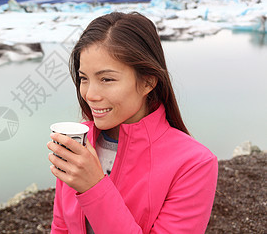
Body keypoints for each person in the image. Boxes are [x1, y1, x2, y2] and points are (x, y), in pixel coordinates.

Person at [47, 12, 218, 234]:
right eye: (83, 78)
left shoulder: (194, 164)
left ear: (148, 82)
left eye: (106, 79)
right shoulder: (79, 141)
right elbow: (61, 227)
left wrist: (94, 187)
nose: (90, 94)